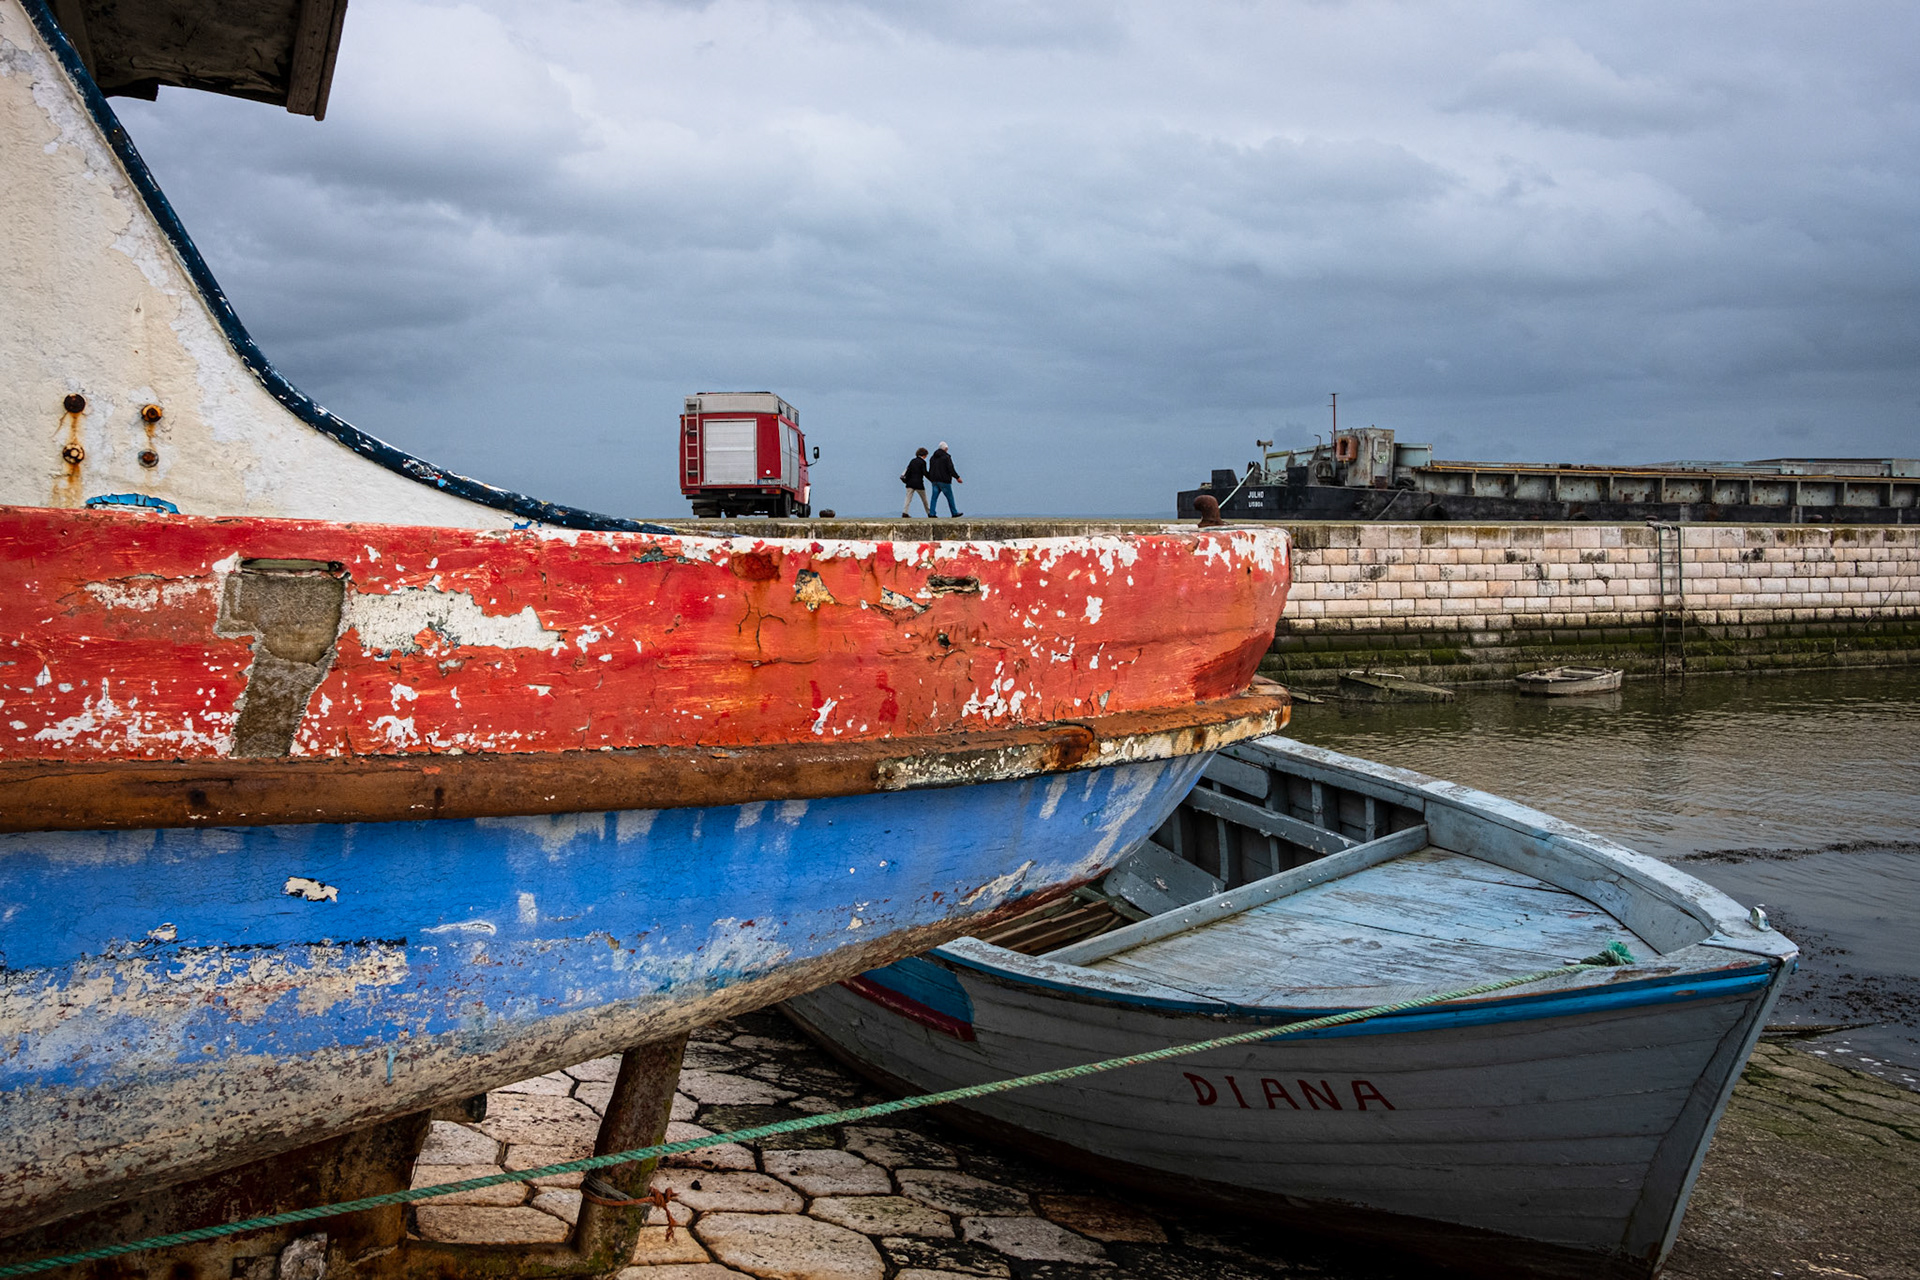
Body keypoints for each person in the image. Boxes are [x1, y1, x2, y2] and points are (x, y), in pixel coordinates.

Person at [927, 441, 963, 517]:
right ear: (945, 448)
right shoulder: (946, 457)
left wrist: (931, 478)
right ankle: (954, 512)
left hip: (934, 481)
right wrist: (957, 477)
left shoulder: (932, 458)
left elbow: (930, 469)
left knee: (934, 498)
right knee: (950, 497)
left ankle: (932, 513)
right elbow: (951, 469)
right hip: (944, 481)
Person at [900, 448, 930, 517]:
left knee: (908, 498)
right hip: (918, 483)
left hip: (910, 482)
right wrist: (932, 479)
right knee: (924, 499)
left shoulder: (912, 461)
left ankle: (905, 512)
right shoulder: (923, 462)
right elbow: (925, 473)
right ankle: (929, 513)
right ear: (924, 455)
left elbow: (908, 471)